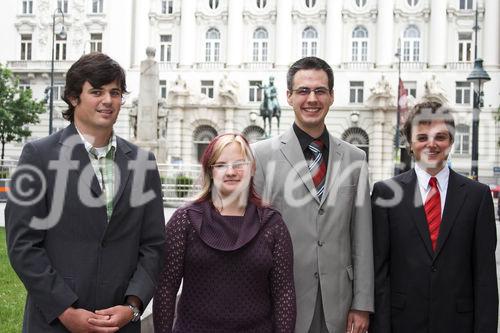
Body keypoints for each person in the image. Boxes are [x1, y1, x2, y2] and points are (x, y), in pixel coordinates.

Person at [5, 52, 166, 332]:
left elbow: (152, 245)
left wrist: (133, 305)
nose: (108, 100)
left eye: (115, 92)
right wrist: (64, 311)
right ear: (73, 97)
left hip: (121, 324)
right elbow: (22, 244)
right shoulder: (38, 156)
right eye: (96, 91)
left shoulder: (143, 163)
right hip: (55, 322)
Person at [252, 56, 373, 333]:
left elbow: (363, 237)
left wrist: (362, 304)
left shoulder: (355, 159)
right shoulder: (261, 155)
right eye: (303, 91)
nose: (312, 99)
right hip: (280, 300)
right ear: (289, 97)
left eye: (320, 91)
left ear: (331, 96)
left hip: (340, 304)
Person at [371, 101, 498, 333]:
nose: (431, 144)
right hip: (402, 323)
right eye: (422, 137)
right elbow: (379, 272)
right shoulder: (385, 193)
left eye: (440, 136)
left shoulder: (477, 196)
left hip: (459, 324)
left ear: (451, 141)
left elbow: (486, 276)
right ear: (410, 143)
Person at [153, 133, 296, 333]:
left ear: (252, 168)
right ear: (210, 171)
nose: (231, 172)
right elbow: (166, 288)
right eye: (220, 165)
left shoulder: (272, 224)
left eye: (240, 164)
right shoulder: (184, 220)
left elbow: (284, 294)